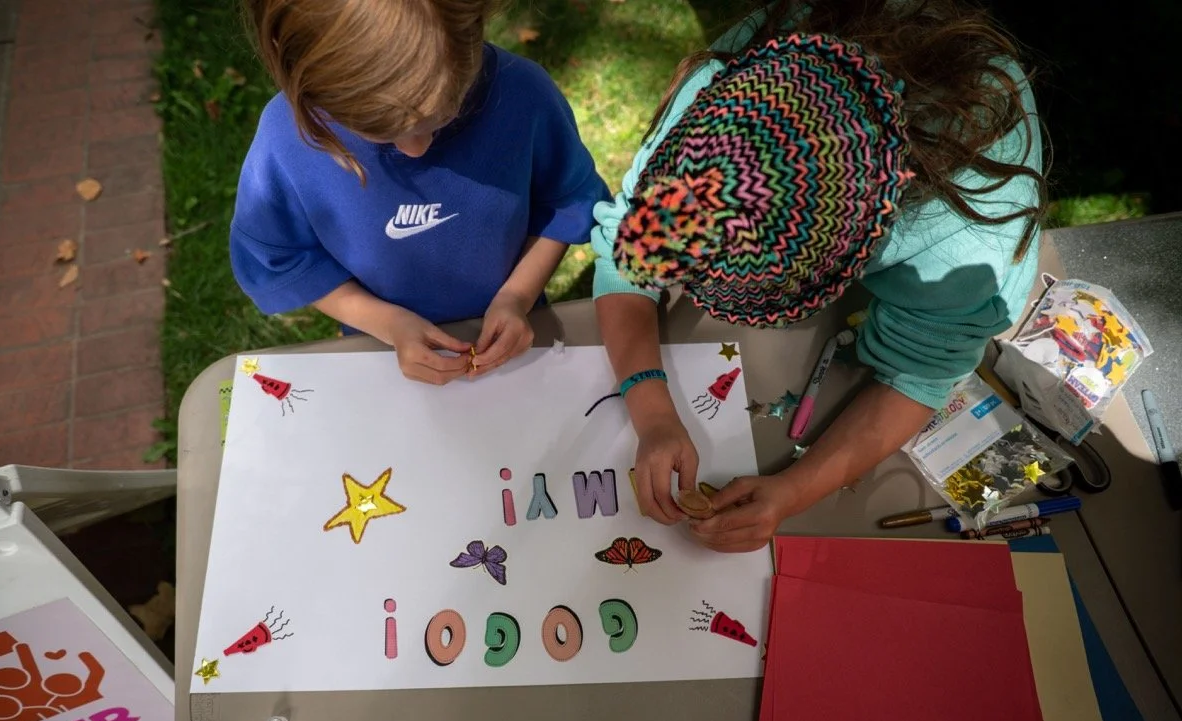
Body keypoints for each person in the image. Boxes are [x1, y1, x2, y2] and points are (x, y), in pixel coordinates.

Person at [592, 0, 1045, 551]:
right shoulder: (741, 78)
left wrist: (795, 490)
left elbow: (920, 373)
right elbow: (628, 245)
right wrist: (652, 410)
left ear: (852, 253)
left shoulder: (970, 243)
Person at [233, 0, 609, 383]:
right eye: (381, 132)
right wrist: (387, 323)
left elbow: (566, 201)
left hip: (519, 345)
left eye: (446, 115)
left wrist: (517, 297)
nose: (418, 149)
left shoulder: (523, 96)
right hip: (378, 353)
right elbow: (282, 260)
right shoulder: (287, 141)